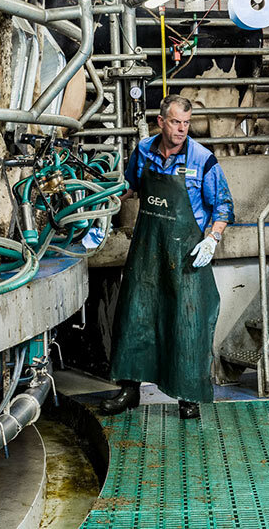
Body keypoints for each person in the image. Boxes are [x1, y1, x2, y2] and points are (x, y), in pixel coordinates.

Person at [100, 94, 235, 420]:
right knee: (134, 318)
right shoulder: (144, 151)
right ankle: (129, 391)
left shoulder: (203, 159)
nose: (181, 129)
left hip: (186, 257)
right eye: (176, 122)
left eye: (186, 123)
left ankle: (188, 397)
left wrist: (212, 238)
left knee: (186, 324)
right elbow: (130, 186)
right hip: (147, 254)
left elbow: (224, 206)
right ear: (161, 122)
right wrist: (100, 198)